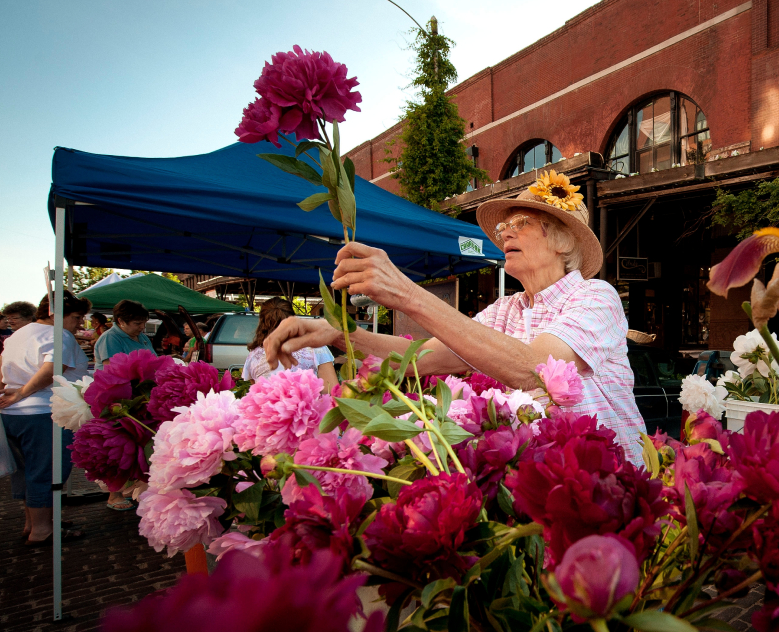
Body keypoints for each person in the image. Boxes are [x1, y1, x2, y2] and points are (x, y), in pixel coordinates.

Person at [262, 181, 648, 463]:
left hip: (611, 476)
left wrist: (408, 294)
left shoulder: (596, 296)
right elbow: (422, 358)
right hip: (544, 474)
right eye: (503, 227)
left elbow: (539, 371)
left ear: (563, 240)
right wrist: (342, 333)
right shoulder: (506, 308)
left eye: (522, 222)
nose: (506, 232)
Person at [0, 291, 89, 544]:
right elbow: (52, 369)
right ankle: (43, 530)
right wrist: (21, 392)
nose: (80, 324)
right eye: (76, 317)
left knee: (25, 470)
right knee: (46, 471)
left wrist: (1, 388)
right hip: (43, 413)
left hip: (12, 414)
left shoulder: (20, 333)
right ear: (56, 313)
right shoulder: (59, 335)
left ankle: (34, 522)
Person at [242, 297, 339, 388]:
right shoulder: (315, 346)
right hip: (306, 404)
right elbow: (331, 389)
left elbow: (256, 391)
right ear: (293, 318)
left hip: (267, 405)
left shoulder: (253, 356)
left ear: (261, 323)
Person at [93, 299, 153, 368]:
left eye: (144, 323)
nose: (143, 327)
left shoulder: (142, 337)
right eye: (137, 323)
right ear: (121, 321)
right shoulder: (110, 338)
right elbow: (113, 369)